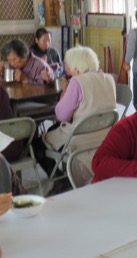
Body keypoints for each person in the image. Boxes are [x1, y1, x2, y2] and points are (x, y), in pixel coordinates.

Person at [35, 46, 117, 179]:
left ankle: (58, 179)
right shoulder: (108, 78)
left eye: (67, 66)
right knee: (52, 130)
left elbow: (62, 116)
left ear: (77, 69)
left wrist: (64, 92)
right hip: (105, 134)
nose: (66, 69)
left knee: (37, 143)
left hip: (79, 137)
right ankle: (67, 174)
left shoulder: (77, 82)